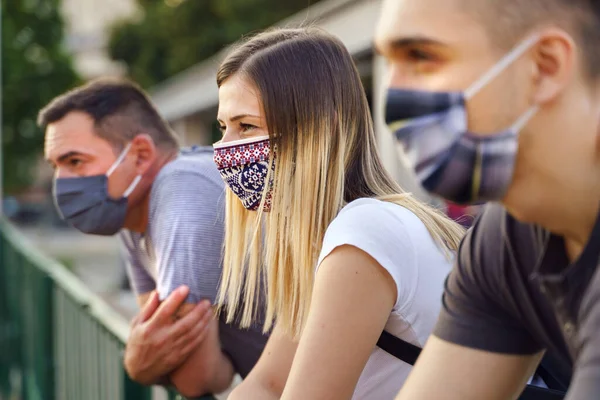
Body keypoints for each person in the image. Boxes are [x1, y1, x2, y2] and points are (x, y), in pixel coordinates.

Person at [212, 27, 465, 399]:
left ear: (321, 127)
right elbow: (267, 384)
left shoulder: (364, 231)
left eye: (246, 125)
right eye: (223, 127)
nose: (223, 148)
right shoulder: (339, 233)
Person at [375, 0, 599, 398]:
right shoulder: (511, 236)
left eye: (421, 56)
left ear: (545, 65)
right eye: (389, 62)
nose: (392, 96)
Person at [38, 79, 269, 397]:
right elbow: (160, 337)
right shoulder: (130, 218)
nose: (60, 182)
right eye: (55, 166)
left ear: (142, 154)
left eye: (75, 162)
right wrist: (146, 358)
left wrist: (136, 364)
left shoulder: (183, 191)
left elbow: (195, 378)